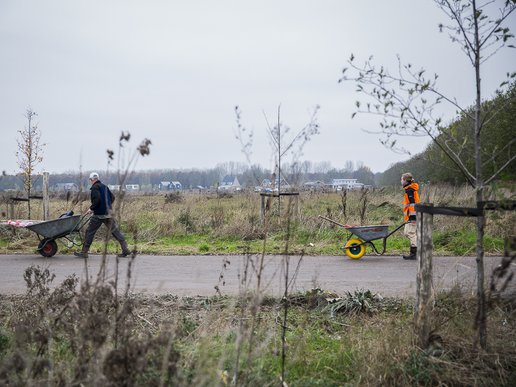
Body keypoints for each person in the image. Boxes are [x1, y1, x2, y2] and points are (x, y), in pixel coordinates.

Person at [74, 172, 131, 258]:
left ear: (92, 180)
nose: (90, 181)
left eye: (90, 180)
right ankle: (125, 249)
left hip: (98, 215)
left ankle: (84, 252)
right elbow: (112, 198)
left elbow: (97, 199)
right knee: (115, 231)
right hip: (108, 213)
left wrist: (92, 208)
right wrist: (107, 205)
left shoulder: (94, 188)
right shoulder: (104, 186)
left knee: (89, 232)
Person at [401, 172, 420, 260]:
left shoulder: (410, 190)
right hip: (410, 216)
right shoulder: (408, 189)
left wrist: (413, 217)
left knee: (411, 233)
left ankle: (413, 254)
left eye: (402, 179)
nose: (401, 181)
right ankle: (414, 252)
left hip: (413, 217)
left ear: (405, 180)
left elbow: (413, 205)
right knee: (407, 232)